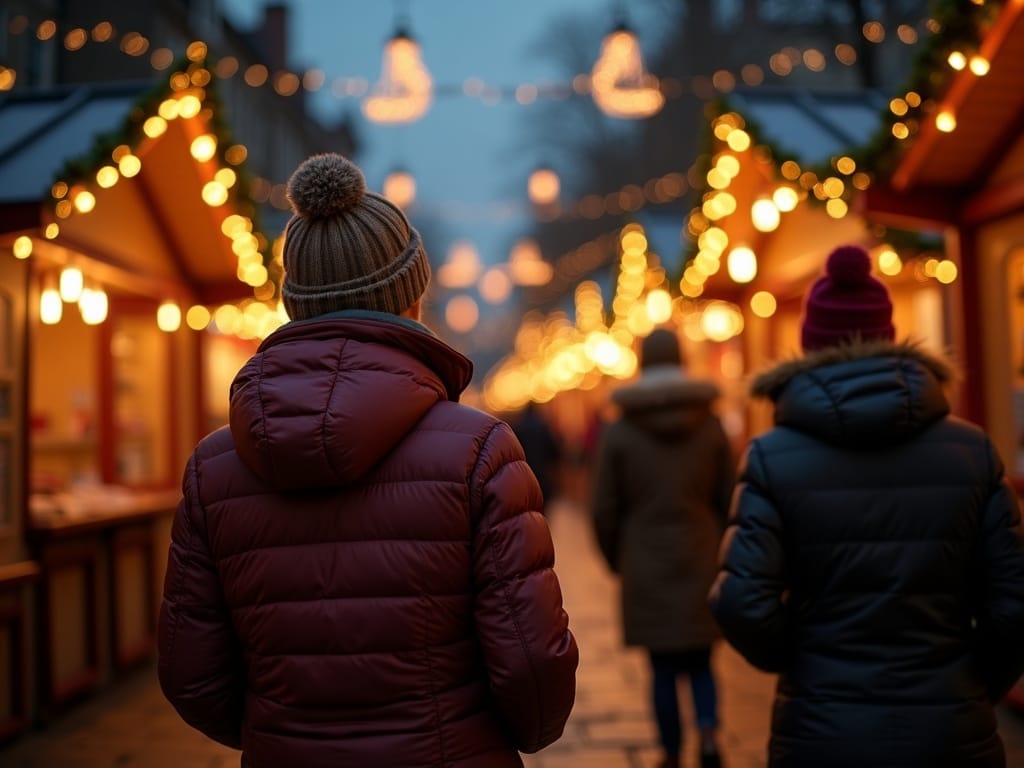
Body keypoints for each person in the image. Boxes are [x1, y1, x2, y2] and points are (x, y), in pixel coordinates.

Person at [157, 153, 578, 768]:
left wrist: (281, 732)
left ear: (293, 301)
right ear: (410, 295)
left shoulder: (212, 469)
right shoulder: (480, 450)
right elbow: (532, 661)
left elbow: (192, 673)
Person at [709, 245, 1024, 768]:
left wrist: (803, 660)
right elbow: (1014, 603)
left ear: (810, 348)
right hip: (951, 730)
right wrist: (971, 683)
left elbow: (741, 602)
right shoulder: (972, 451)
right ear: (890, 337)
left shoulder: (770, 457)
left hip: (823, 731)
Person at [592, 328, 735, 768]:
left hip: (645, 560)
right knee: (702, 659)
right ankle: (709, 736)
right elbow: (729, 497)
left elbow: (604, 507)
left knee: (663, 667)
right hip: (701, 552)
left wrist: (619, 558)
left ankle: (671, 752)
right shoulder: (710, 424)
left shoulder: (620, 431)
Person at [510, 401, 562, 513]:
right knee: (543, 507)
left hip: (525, 475)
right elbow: (553, 451)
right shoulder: (543, 427)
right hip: (543, 474)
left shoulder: (518, 427)